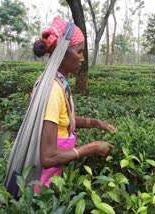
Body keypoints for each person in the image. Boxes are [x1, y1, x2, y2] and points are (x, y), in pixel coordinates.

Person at [32, 17, 116, 192]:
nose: (83, 59)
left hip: (57, 174)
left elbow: (62, 120)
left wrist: (95, 123)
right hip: (45, 184)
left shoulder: (58, 82)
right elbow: (48, 157)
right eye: (79, 52)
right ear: (63, 54)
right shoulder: (52, 90)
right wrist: (92, 147)